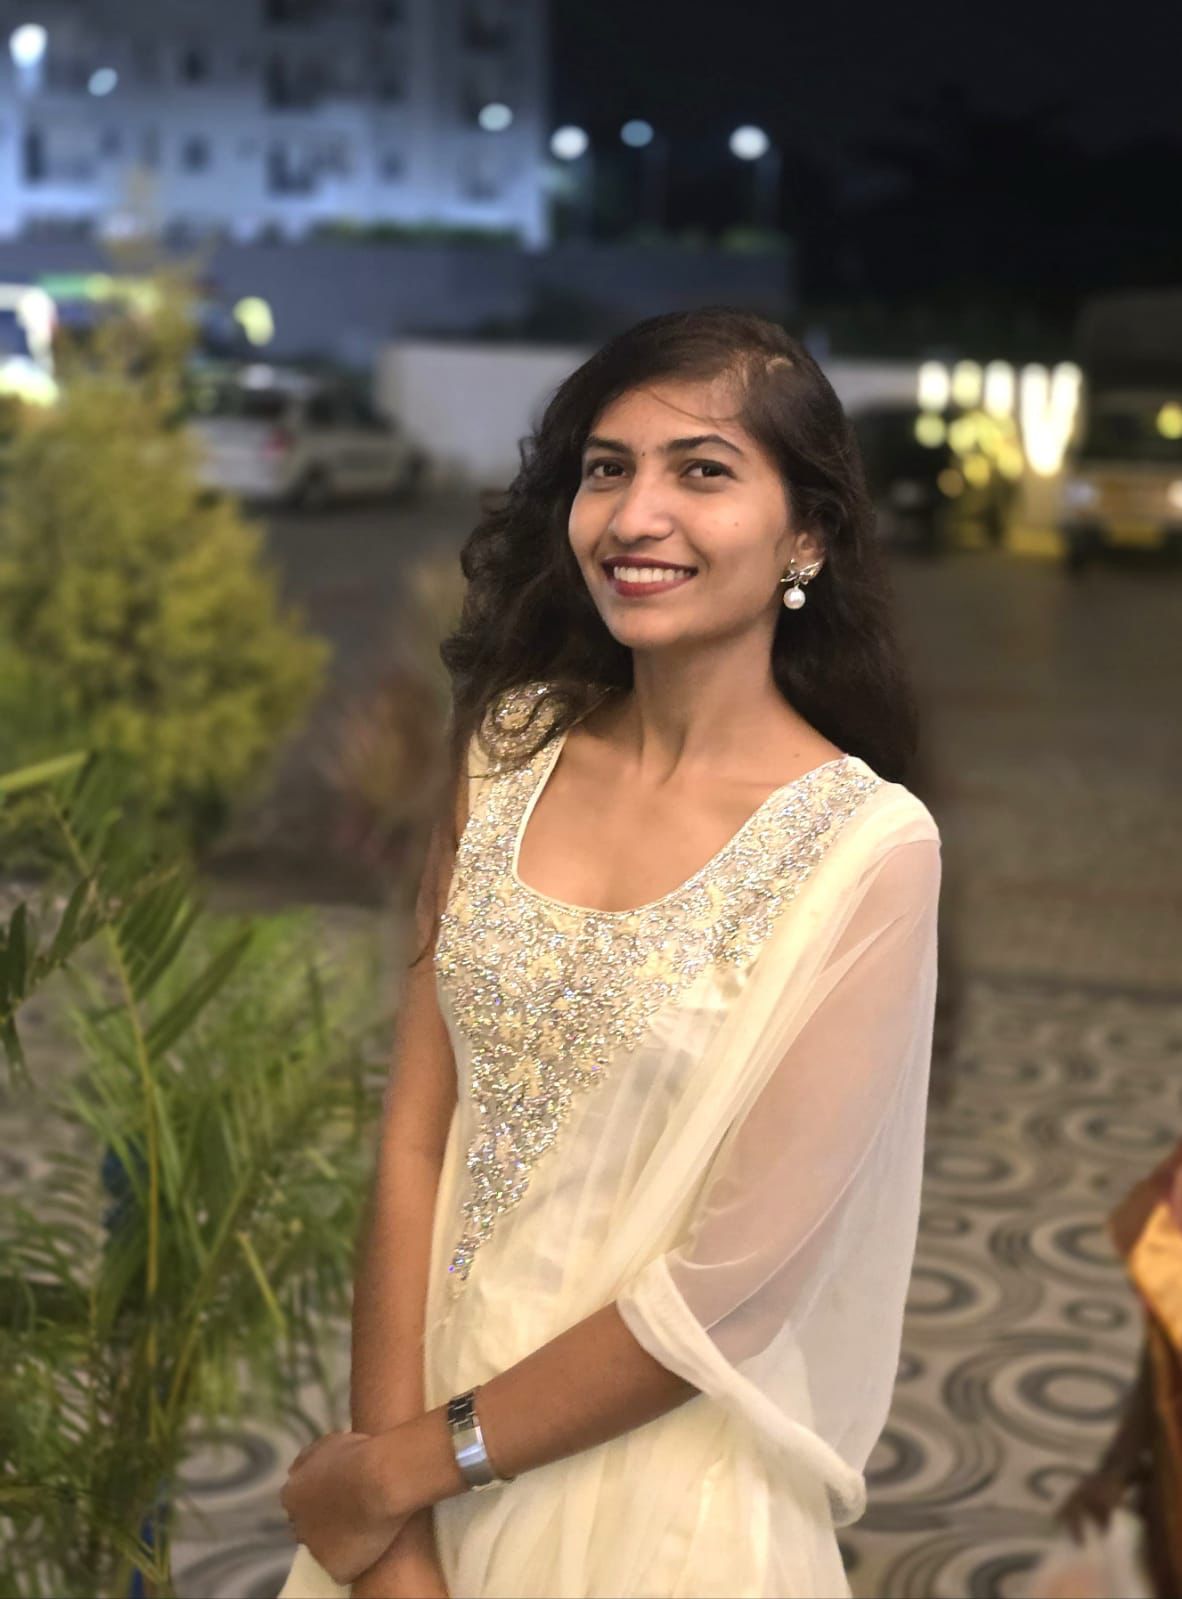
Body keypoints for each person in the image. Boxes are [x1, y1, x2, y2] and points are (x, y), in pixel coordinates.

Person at [277, 307, 942, 1598]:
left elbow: (733, 1291)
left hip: (654, 1503)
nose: (637, 516)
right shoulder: (507, 748)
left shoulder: (866, 852)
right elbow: (414, 1136)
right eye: (606, 468)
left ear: (806, 534)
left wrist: (405, 1470)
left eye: (702, 470)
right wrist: (392, 1544)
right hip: (411, 1469)